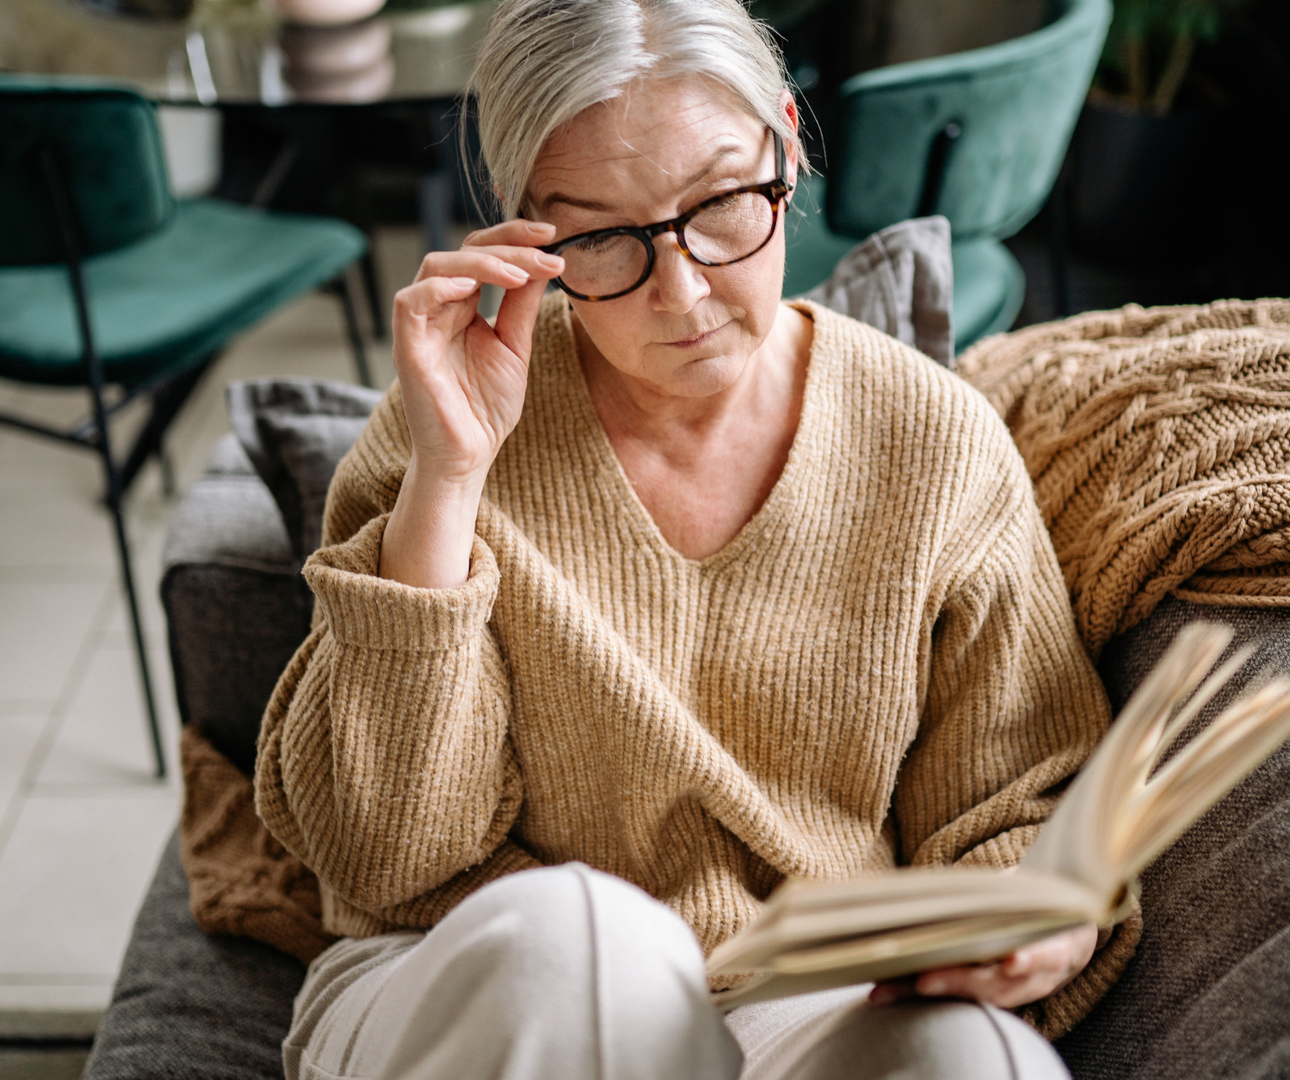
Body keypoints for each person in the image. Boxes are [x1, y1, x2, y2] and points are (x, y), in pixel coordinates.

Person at [250, 1, 1133, 1076]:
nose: (682, 291)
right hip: (466, 973)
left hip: (796, 1000)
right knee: (583, 946)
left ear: (787, 146)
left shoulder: (932, 441)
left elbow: (1020, 804)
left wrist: (1035, 915)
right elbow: (386, 857)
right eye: (604, 238)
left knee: (983, 1064)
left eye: (719, 205)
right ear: (529, 232)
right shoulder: (441, 436)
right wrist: (450, 474)